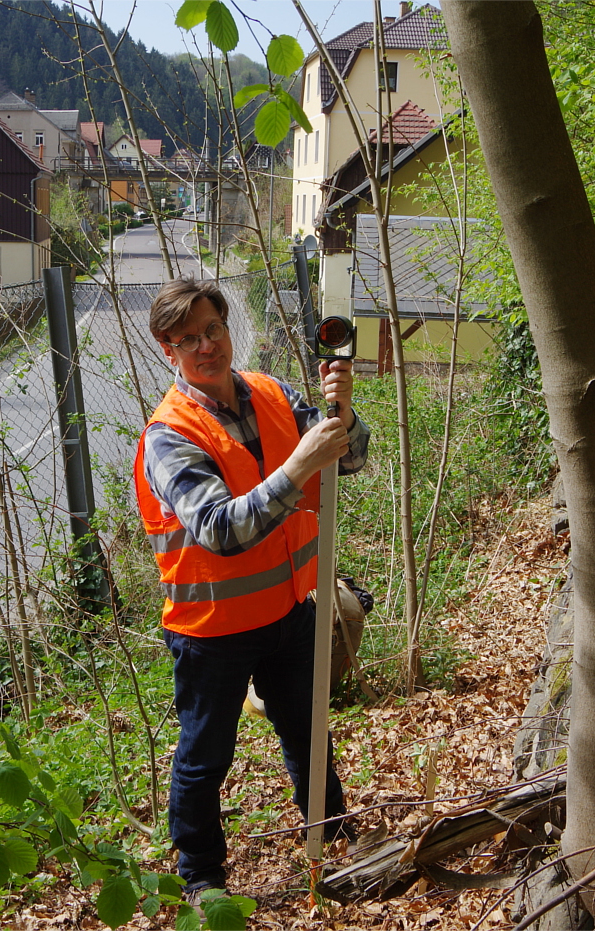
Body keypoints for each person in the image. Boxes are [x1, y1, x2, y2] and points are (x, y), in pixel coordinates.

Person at [132, 278, 370, 899]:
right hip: (211, 630)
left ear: (226, 328)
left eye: (213, 329)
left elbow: (350, 458)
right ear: (169, 351)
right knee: (205, 757)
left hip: (288, 608)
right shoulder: (170, 435)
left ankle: (333, 833)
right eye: (189, 340)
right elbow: (218, 528)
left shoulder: (271, 393)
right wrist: (298, 465)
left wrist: (343, 415)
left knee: (306, 727)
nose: (207, 346)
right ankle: (203, 876)